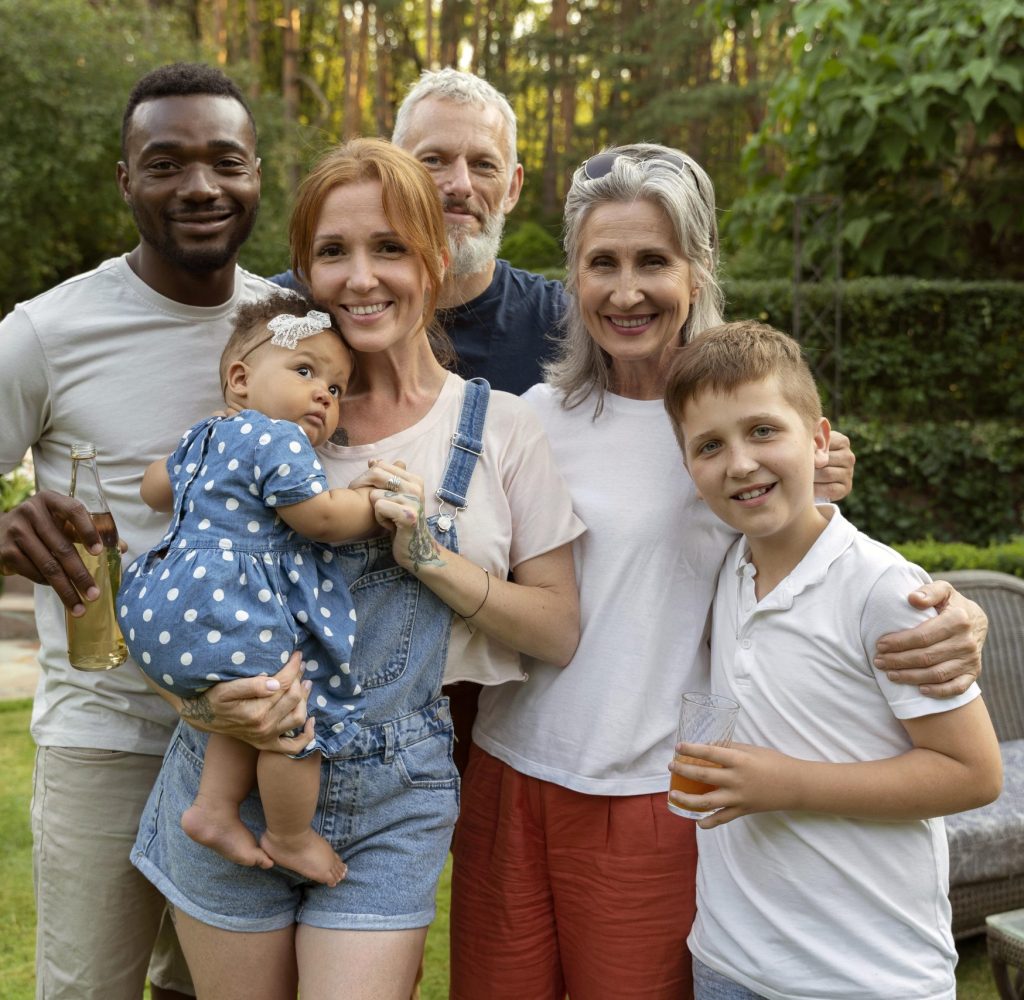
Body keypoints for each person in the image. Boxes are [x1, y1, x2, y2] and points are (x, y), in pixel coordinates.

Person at [450, 144, 990, 1000]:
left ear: (697, 271)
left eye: (654, 262)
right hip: (510, 775)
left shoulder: (736, 430)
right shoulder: (528, 419)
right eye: (603, 264)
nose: (627, 291)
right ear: (573, 278)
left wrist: (953, 610)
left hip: (653, 797)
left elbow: (833, 568)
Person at [129, 137, 583, 1000]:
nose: (361, 277)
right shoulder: (264, 417)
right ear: (302, 270)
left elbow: (558, 628)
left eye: (390, 248)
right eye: (333, 252)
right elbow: (179, 595)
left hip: (392, 794)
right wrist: (197, 699)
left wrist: (427, 556)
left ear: (435, 258)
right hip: (228, 771)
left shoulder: (502, 428)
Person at [0, 62, 319, 1000]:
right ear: (126, 179)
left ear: (259, 171)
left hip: (250, 743)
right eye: (166, 162)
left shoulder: (287, 336)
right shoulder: (46, 332)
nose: (201, 186)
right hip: (105, 736)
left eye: (227, 160)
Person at [663, 320, 1002, 999]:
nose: (739, 463)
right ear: (689, 469)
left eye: (763, 431)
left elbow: (973, 773)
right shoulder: (727, 572)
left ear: (820, 442)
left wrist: (787, 784)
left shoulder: (882, 588)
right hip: (728, 964)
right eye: (709, 446)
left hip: (866, 975)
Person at [120, 293, 378, 886]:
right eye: (306, 371)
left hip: (161, 611)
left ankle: (212, 809)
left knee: (246, 706)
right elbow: (320, 520)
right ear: (241, 379)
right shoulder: (280, 439)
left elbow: (152, 489)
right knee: (290, 720)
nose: (323, 394)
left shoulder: (204, 435)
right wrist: (370, 506)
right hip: (226, 608)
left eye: (337, 389)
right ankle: (290, 836)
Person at [271, 67, 565, 396]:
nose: (461, 186)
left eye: (484, 164)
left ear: (513, 188)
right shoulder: (291, 308)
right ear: (394, 170)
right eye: (434, 160)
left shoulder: (561, 325)